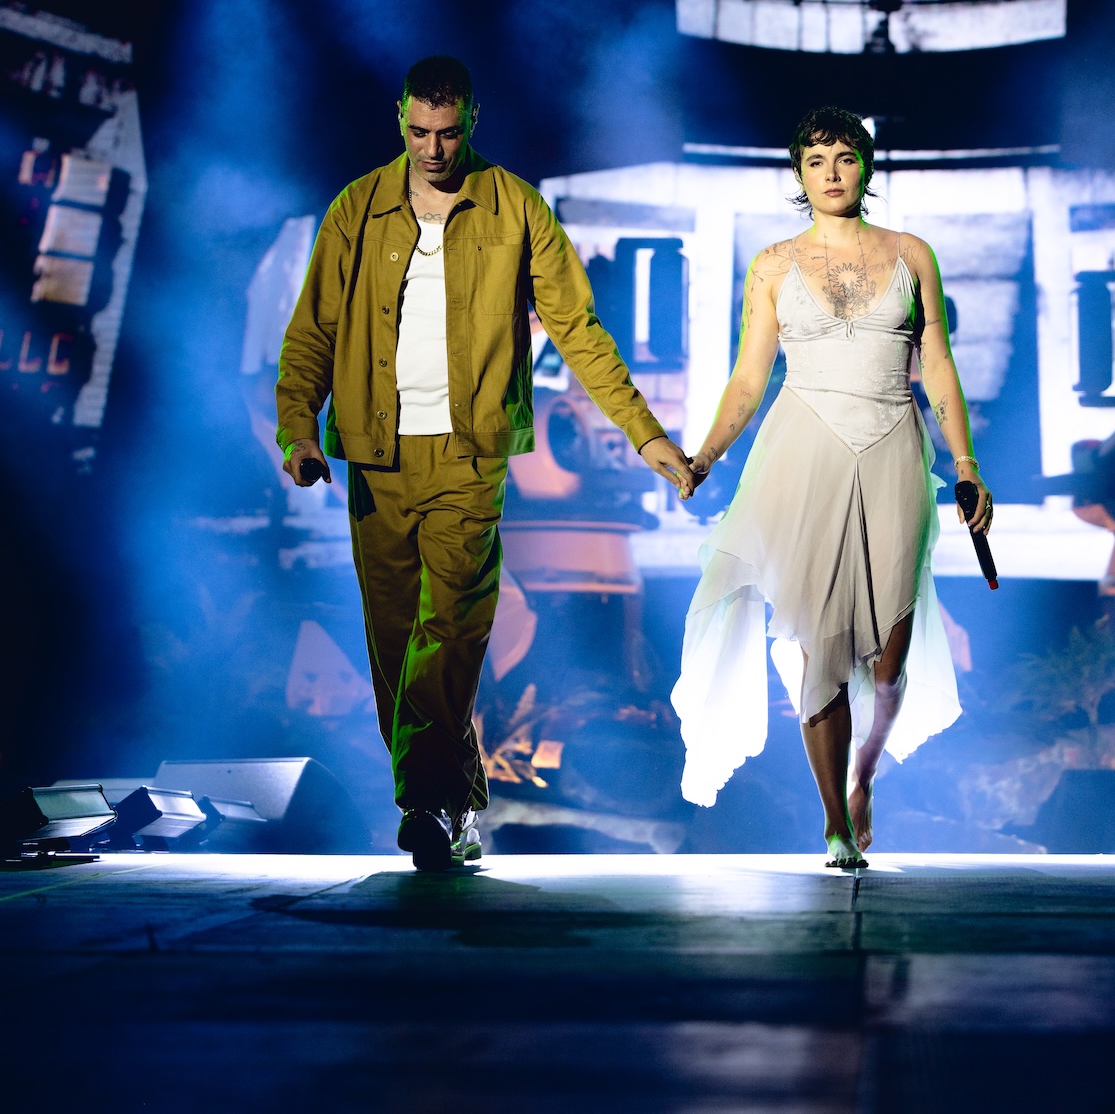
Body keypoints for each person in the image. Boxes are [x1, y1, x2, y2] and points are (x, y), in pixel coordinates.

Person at [276, 55, 695, 870]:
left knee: (455, 627)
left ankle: (423, 805)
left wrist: (647, 437)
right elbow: (312, 332)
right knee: (394, 640)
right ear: (400, 120)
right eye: (419, 132)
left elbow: (580, 331)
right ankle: (460, 800)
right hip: (375, 454)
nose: (433, 149)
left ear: (472, 121)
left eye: (447, 133)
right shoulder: (357, 208)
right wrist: (299, 431)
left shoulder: (515, 207)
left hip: (470, 455)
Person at [671, 106, 988, 867]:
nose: (832, 172)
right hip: (804, 449)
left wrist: (967, 464)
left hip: (893, 447)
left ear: (866, 167)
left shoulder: (912, 254)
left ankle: (864, 775)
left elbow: (937, 364)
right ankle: (834, 823)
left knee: (889, 658)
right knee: (823, 645)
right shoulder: (772, 265)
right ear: (799, 173)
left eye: (845, 157)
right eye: (816, 160)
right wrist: (706, 455)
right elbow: (749, 378)